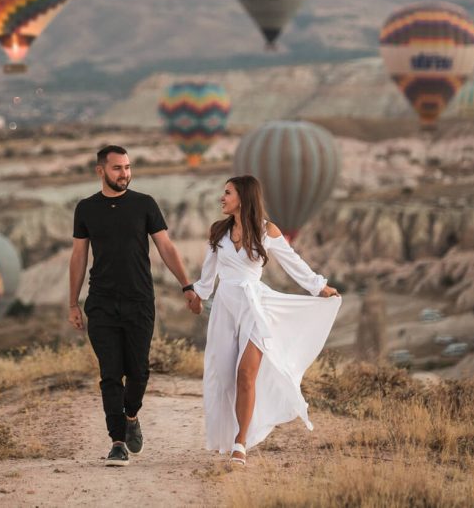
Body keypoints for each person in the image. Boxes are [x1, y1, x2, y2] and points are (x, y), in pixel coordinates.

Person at [184, 175, 341, 467]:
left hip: (257, 307)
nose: (222, 197)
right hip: (225, 310)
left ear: (242, 197)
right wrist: (195, 295)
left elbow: (294, 263)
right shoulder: (219, 232)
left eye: (227, 193)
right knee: (224, 377)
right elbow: (207, 278)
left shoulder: (268, 231)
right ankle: (230, 434)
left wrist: (319, 287)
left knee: (246, 374)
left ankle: (240, 444)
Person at [69, 145, 193, 467]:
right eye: (117, 168)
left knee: (138, 371)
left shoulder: (144, 204)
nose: (124, 174)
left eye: (127, 167)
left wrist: (187, 285)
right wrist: (73, 302)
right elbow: (79, 256)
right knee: (110, 374)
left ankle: (132, 415)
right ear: (100, 171)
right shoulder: (86, 209)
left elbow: (165, 247)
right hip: (101, 304)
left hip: (139, 300)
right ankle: (118, 442)